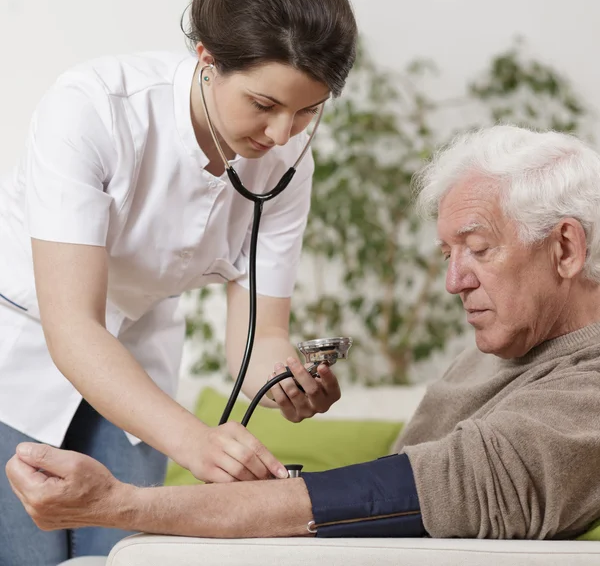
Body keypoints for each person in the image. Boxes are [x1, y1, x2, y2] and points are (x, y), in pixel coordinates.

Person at [8, 125, 600, 544]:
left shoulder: (586, 395)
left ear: (566, 247)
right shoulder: (510, 343)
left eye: (477, 249)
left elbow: (406, 492)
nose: (453, 282)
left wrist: (122, 505)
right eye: (447, 254)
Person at [0, 0, 358, 562]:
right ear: (207, 57)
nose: (281, 133)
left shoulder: (288, 159)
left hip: (139, 355)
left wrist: (283, 381)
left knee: (121, 555)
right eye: (264, 104)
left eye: (306, 111)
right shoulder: (93, 109)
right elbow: (73, 327)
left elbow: (258, 338)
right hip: (24, 352)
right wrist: (197, 442)